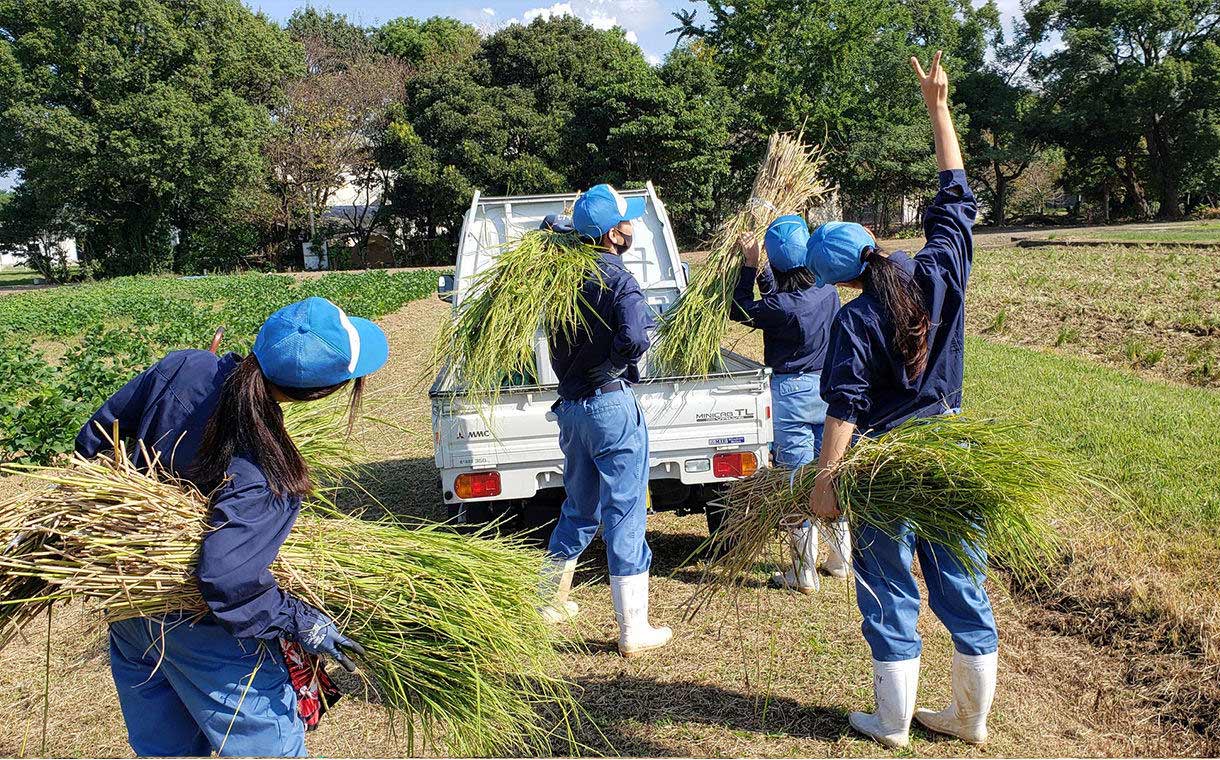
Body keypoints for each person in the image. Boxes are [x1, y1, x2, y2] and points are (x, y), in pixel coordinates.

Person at [75, 296, 390, 757]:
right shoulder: (268, 468)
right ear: (322, 392)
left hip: (129, 604)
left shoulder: (184, 366)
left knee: (166, 753)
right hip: (201, 629)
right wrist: (300, 620)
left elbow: (94, 443)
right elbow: (226, 577)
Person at [805, 51, 997, 748]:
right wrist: (938, 109)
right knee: (961, 578)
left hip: (887, 465)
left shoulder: (854, 320)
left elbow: (845, 407)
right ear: (876, 243)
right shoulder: (940, 271)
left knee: (888, 585)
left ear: (837, 280)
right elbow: (956, 197)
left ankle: (892, 723)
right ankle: (970, 721)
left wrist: (826, 481)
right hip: (950, 447)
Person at [537, 184, 672, 657]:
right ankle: (634, 629)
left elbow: (547, 232)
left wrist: (565, 222)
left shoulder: (558, 277)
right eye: (626, 220)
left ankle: (548, 602)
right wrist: (613, 364)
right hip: (610, 405)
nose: (631, 226)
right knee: (625, 511)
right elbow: (635, 337)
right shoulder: (620, 279)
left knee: (579, 506)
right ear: (614, 234)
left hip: (572, 410)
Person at [730, 215, 848, 592]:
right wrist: (766, 269)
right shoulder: (827, 293)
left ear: (776, 266)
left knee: (795, 482)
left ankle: (803, 571)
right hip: (827, 391)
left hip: (791, 397)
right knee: (831, 472)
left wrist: (750, 264)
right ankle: (840, 559)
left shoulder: (780, 308)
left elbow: (739, 307)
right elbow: (780, 294)